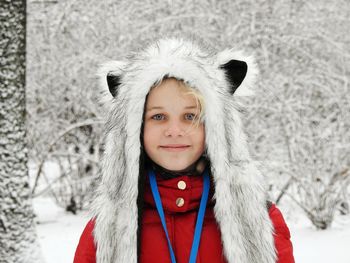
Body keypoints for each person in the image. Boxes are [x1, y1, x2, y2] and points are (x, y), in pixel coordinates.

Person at [73, 37, 295, 263]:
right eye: (158, 116)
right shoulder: (106, 228)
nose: (174, 130)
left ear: (215, 126)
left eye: (190, 116)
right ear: (135, 128)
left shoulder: (259, 222)